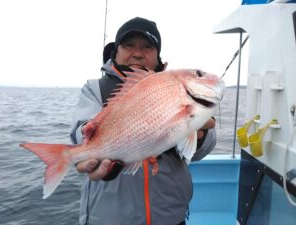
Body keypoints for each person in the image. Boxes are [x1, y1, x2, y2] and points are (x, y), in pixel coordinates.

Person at [70, 17, 217, 225]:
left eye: (147, 47)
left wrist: (201, 136)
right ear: (116, 51)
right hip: (109, 218)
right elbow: (79, 130)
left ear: (158, 57)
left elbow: (201, 151)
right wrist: (88, 135)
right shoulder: (95, 89)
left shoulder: (173, 89)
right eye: (129, 45)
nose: (138, 53)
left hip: (169, 216)